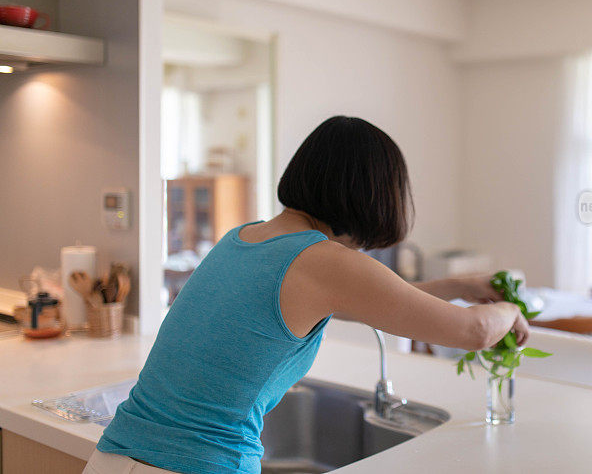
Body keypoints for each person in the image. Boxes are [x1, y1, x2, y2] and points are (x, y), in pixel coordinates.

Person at [83, 116, 529, 474]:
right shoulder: (325, 262)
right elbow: (473, 331)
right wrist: (512, 308)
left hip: (110, 457)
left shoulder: (243, 238)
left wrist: (461, 284)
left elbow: (379, 302)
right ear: (371, 198)